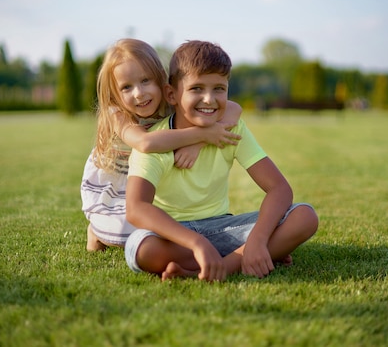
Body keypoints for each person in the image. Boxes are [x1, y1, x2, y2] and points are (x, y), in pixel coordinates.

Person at [124, 40, 319, 281]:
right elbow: (136, 209)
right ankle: (244, 256)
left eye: (219, 88)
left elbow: (279, 188)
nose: (209, 99)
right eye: (196, 89)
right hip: (174, 236)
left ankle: (225, 264)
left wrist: (257, 239)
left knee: (304, 217)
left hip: (224, 229)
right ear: (171, 94)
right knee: (141, 249)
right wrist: (197, 243)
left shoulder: (232, 129)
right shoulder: (156, 142)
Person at [81, 38, 242, 252]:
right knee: (129, 233)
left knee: (168, 228)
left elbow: (234, 108)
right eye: (127, 87)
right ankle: (96, 231)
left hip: (153, 182)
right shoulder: (117, 114)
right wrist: (203, 133)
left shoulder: (169, 101)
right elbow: (145, 143)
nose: (139, 93)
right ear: (115, 93)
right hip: (117, 184)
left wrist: (199, 142)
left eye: (145, 81)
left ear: (161, 81)